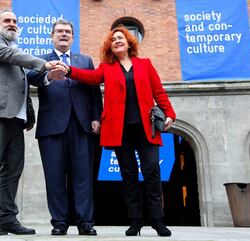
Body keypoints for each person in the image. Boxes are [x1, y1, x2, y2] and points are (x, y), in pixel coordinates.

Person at [64, 26, 176, 237]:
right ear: (110, 47)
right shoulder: (106, 68)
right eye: (113, 39)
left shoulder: (145, 64)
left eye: (120, 38)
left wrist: (169, 112)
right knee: (128, 174)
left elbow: (158, 91)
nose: (117, 41)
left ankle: (157, 220)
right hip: (120, 129)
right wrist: (70, 70)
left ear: (129, 42)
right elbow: (91, 77)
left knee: (152, 171)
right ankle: (135, 221)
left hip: (146, 128)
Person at [0, 9, 66, 236]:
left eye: (14, 21)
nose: (12, 24)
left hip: (15, 119)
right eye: (7, 21)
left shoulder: (16, 52)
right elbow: (16, 59)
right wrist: (45, 64)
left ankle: (7, 219)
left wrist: (46, 79)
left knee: (13, 170)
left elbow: (24, 82)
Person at [27, 19, 102, 236]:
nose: (63, 34)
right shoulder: (42, 60)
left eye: (68, 32)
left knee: (83, 176)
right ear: (52, 36)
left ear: (73, 36)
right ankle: (59, 222)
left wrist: (96, 117)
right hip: (52, 127)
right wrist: (48, 75)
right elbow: (31, 77)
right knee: (55, 176)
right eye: (59, 31)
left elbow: (94, 91)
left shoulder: (85, 60)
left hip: (82, 125)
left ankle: (85, 222)